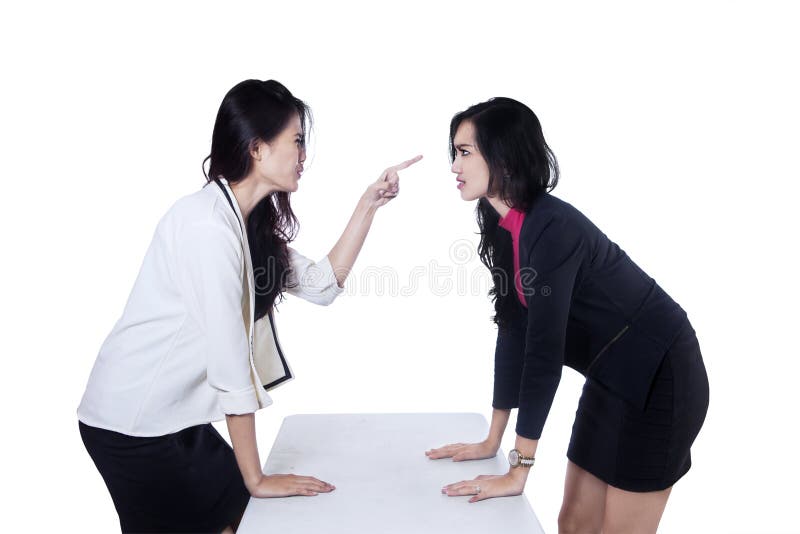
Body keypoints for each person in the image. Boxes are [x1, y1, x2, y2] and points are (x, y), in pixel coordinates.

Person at [77, 79, 422, 533]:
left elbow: (322, 285)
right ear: (258, 148)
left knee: (240, 517)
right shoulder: (206, 227)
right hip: (132, 425)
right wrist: (256, 478)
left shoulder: (244, 224)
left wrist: (368, 205)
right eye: (297, 141)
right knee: (238, 508)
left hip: (173, 416)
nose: (304, 154)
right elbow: (229, 364)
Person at [425, 97, 709, 533]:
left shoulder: (552, 228)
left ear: (503, 155)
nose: (454, 164)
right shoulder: (503, 218)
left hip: (661, 380)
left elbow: (543, 354)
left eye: (465, 151)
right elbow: (514, 329)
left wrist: (519, 469)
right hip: (610, 378)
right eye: (455, 151)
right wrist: (492, 439)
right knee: (574, 524)